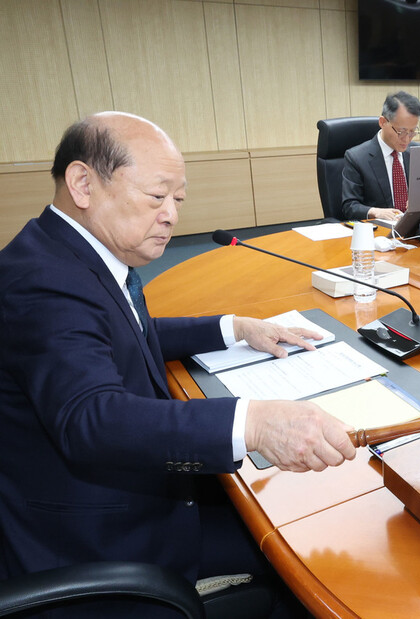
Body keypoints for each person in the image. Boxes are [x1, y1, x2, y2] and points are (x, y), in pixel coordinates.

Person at [0, 112, 357, 617]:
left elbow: (121, 333)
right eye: (156, 196)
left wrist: (234, 328)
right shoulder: (43, 282)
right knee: (307, 555)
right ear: (82, 183)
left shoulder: (70, 251)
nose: (171, 214)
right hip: (97, 540)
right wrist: (252, 422)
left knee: (291, 516)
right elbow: (91, 418)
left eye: (178, 199)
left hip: (131, 502)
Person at [341, 91, 420, 221]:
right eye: (401, 132)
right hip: (381, 232)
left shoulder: (418, 152)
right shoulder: (357, 157)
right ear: (383, 122)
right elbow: (350, 206)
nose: (407, 139)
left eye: (412, 132)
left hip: (415, 228)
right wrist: (375, 212)